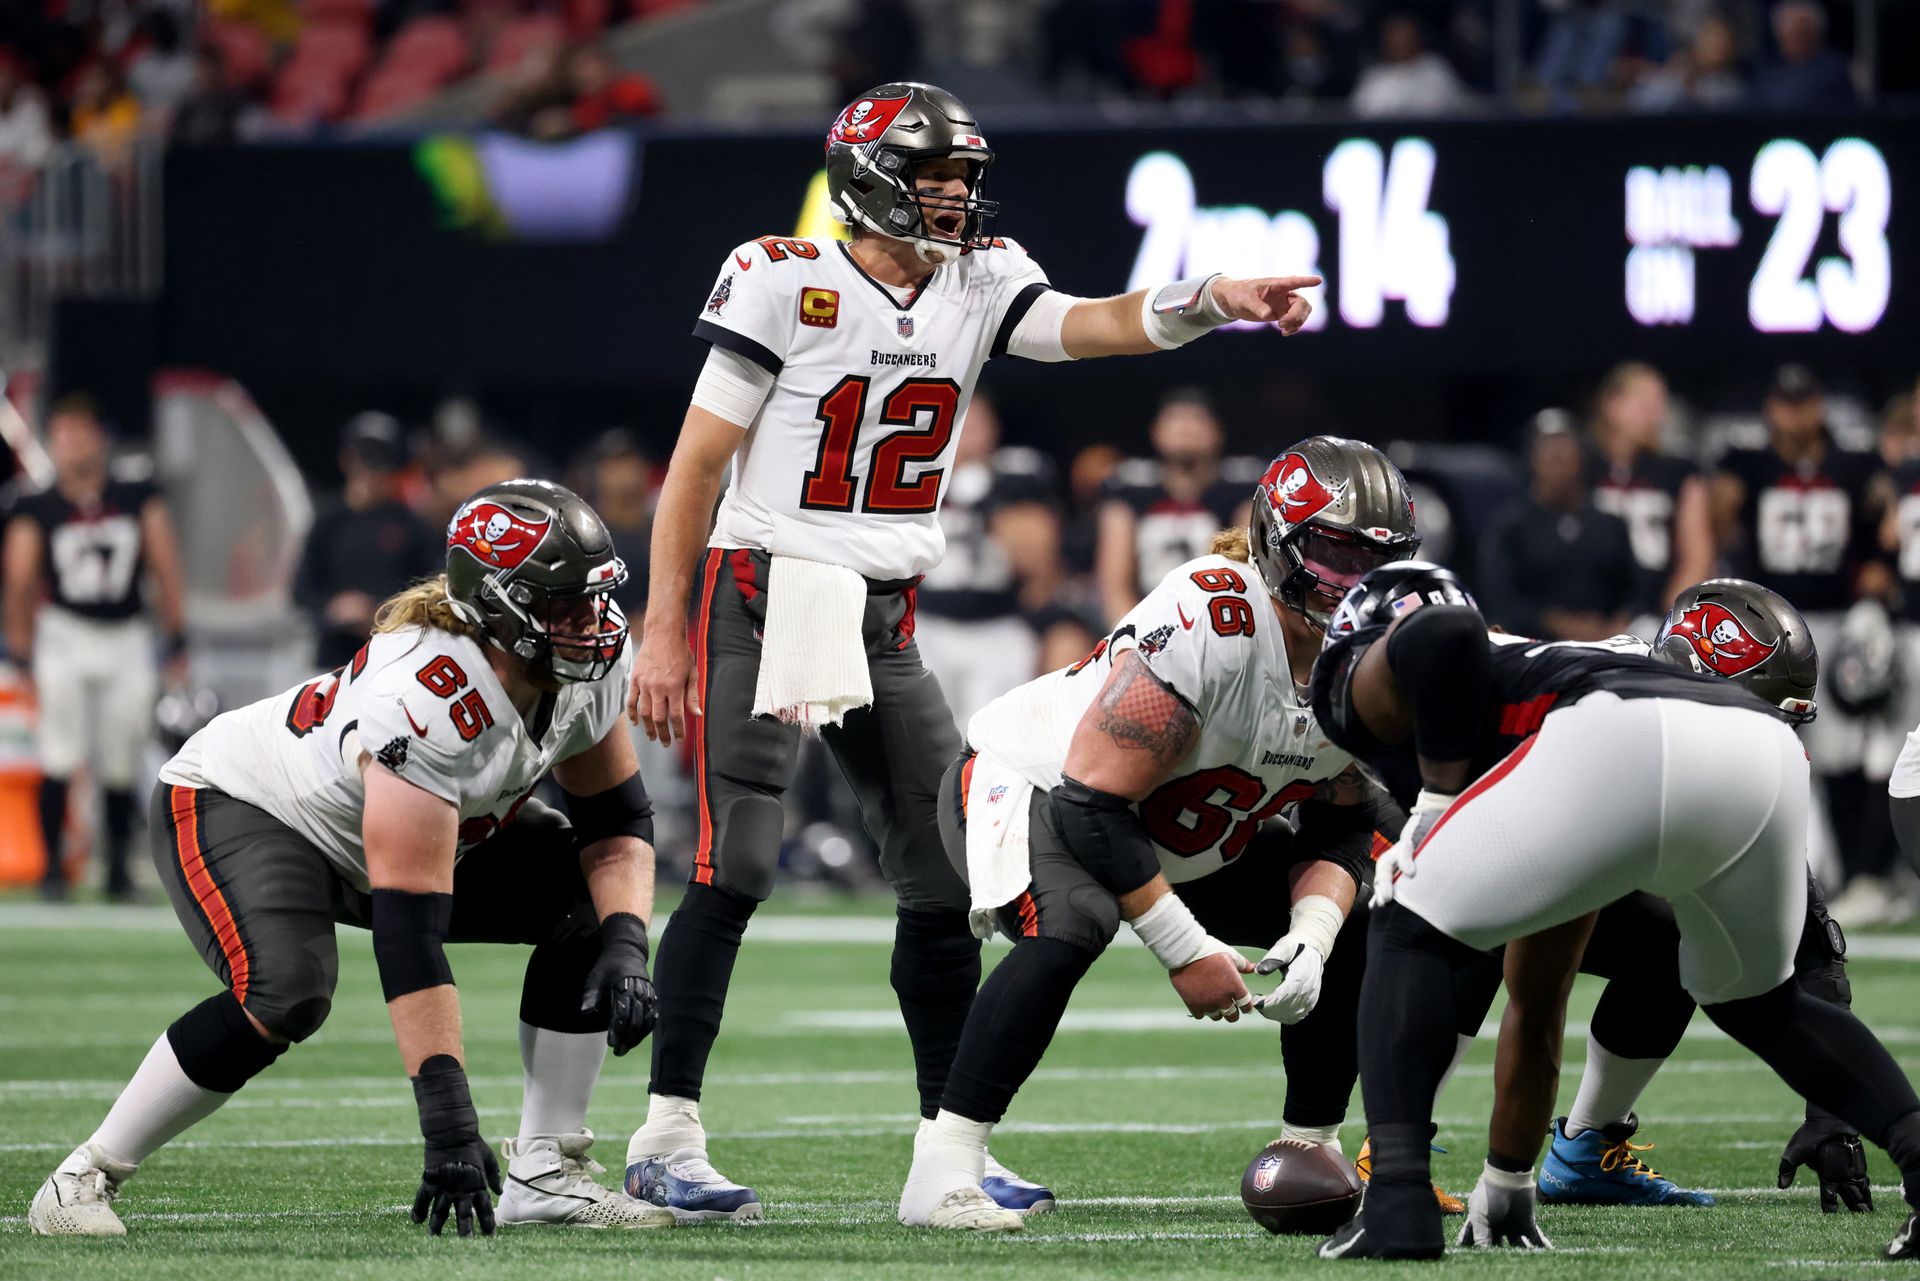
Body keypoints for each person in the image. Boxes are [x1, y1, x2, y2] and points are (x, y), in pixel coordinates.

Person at [624, 79, 1319, 1224]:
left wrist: (1213, 299)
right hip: (768, 589)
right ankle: (665, 1137)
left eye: (961, 179)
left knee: (943, 875)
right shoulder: (781, 277)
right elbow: (696, 468)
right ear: (864, 175)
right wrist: (663, 625)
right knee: (736, 860)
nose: (952, 198)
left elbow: (1091, 323)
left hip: (884, 607)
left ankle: (946, 1150)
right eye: (931, 176)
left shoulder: (982, 278)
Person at [27, 480, 671, 1237]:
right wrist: (448, 1123)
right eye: (564, 603)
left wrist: (626, 942)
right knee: (286, 991)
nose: (591, 622)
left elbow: (616, 820)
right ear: (498, 606)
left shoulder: (578, 665)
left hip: (394, 829)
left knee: (587, 899)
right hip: (247, 804)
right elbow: (409, 935)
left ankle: (544, 1169)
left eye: (594, 598)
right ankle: (83, 1173)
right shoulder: (427, 699)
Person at [1307, 562, 1920, 1261]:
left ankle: (1394, 1199)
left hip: (1614, 732)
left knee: (1405, 916)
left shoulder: (1360, 675)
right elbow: (1539, 996)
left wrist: (1438, 805)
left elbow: (1445, 628)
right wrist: (1507, 1182)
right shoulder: (1581, 702)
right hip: (1761, 751)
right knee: (1765, 1004)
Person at [899, 438, 1417, 1232]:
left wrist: (1311, 936)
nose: (1353, 579)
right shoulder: (1217, 615)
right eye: (1334, 550)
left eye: (1375, 557)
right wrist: (1185, 947)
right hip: (1036, 780)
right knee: (1075, 921)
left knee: (1362, 920)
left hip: (1175, 828)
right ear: (1281, 540)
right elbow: (1088, 802)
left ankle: (1312, 1149)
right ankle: (944, 1166)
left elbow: (1343, 820)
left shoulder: (1368, 656)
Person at [1713, 364, 1892, 916]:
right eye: (1785, 403)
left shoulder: (1856, 464)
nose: (1794, 414)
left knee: (1839, 750)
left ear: (1819, 404)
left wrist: (1878, 571)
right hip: (1766, 620)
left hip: (1836, 617)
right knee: (1755, 742)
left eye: (1804, 402)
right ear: (1771, 407)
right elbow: (1721, 519)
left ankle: (1856, 876)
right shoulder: (1745, 463)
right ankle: (1748, 865)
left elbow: (1885, 522)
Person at [2, 395, 187, 900]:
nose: (73, 444)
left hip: (125, 633)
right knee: (59, 752)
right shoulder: (35, 503)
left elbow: (164, 561)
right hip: (64, 632)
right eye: (64, 433)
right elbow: (18, 576)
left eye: (81, 432)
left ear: (99, 437)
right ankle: (53, 871)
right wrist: (20, 645)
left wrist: (176, 633)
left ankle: (117, 872)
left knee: (121, 754)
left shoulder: (134, 495)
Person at [913, 391, 1061, 725]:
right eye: (959, 421)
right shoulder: (913, 474)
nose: (967, 431)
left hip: (998, 624)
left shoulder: (1016, 478)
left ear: (994, 428)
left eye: (976, 422)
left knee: (990, 732)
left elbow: (1039, 566)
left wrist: (991, 503)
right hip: (928, 624)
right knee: (926, 733)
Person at [1095, 388, 1258, 626]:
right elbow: (1114, 587)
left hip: (1220, 619)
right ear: (1156, 432)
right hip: (1143, 618)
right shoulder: (1130, 492)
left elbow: (1251, 576)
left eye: (1197, 419)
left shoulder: (1240, 493)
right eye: (1176, 418)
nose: (1186, 428)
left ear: (1217, 432)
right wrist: (1131, 636)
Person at [296, 412, 440, 672]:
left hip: (391, 658)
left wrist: (379, 610)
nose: (372, 471)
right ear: (347, 460)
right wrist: (334, 608)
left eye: (381, 463)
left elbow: (431, 590)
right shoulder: (329, 520)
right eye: (365, 459)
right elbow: (302, 589)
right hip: (332, 658)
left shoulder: (413, 527)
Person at [1476, 411, 1637, 642]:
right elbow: (1500, 598)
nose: (1558, 458)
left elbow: (1635, 590)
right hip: (1532, 650)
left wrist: (1618, 622)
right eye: (1548, 449)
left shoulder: (1610, 524)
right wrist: (1557, 623)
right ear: (1532, 458)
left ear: (1581, 456)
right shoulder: (1510, 526)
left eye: (1565, 448)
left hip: (1607, 644)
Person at [1586, 362, 1715, 626]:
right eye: (1644, 404)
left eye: (1658, 405)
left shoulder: (1679, 473)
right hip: (1587, 612)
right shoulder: (1581, 468)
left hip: (1652, 615)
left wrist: (1672, 618)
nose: (1654, 416)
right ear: (1611, 404)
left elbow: (1697, 553)